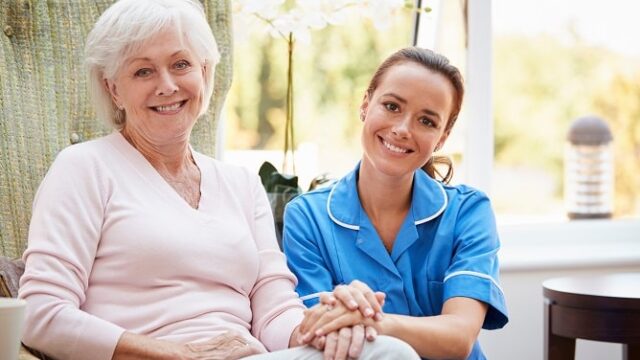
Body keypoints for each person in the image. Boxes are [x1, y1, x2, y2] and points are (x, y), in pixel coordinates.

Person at [17, 1, 420, 359]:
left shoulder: (241, 183)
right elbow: (39, 313)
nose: (168, 85)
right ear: (113, 89)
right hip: (152, 355)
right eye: (143, 71)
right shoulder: (84, 168)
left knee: (384, 350)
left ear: (205, 72)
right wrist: (174, 354)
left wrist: (324, 327)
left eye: (181, 64)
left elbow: (276, 311)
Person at [283, 47, 509, 359]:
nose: (402, 129)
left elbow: (459, 338)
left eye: (427, 121)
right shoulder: (306, 217)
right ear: (366, 104)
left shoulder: (469, 212)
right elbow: (317, 331)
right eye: (391, 106)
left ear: (442, 137)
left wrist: (372, 319)